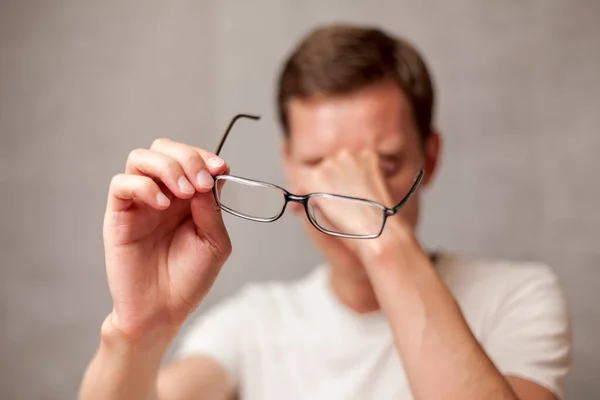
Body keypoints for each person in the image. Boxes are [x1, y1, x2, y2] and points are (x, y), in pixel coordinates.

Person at [79, 24, 571, 400]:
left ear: (432, 157)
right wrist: (136, 331)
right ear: (289, 166)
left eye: (382, 164)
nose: (344, 197)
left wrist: (381, 233)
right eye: (319, 165)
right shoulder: (253, 324)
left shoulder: (515, 296)